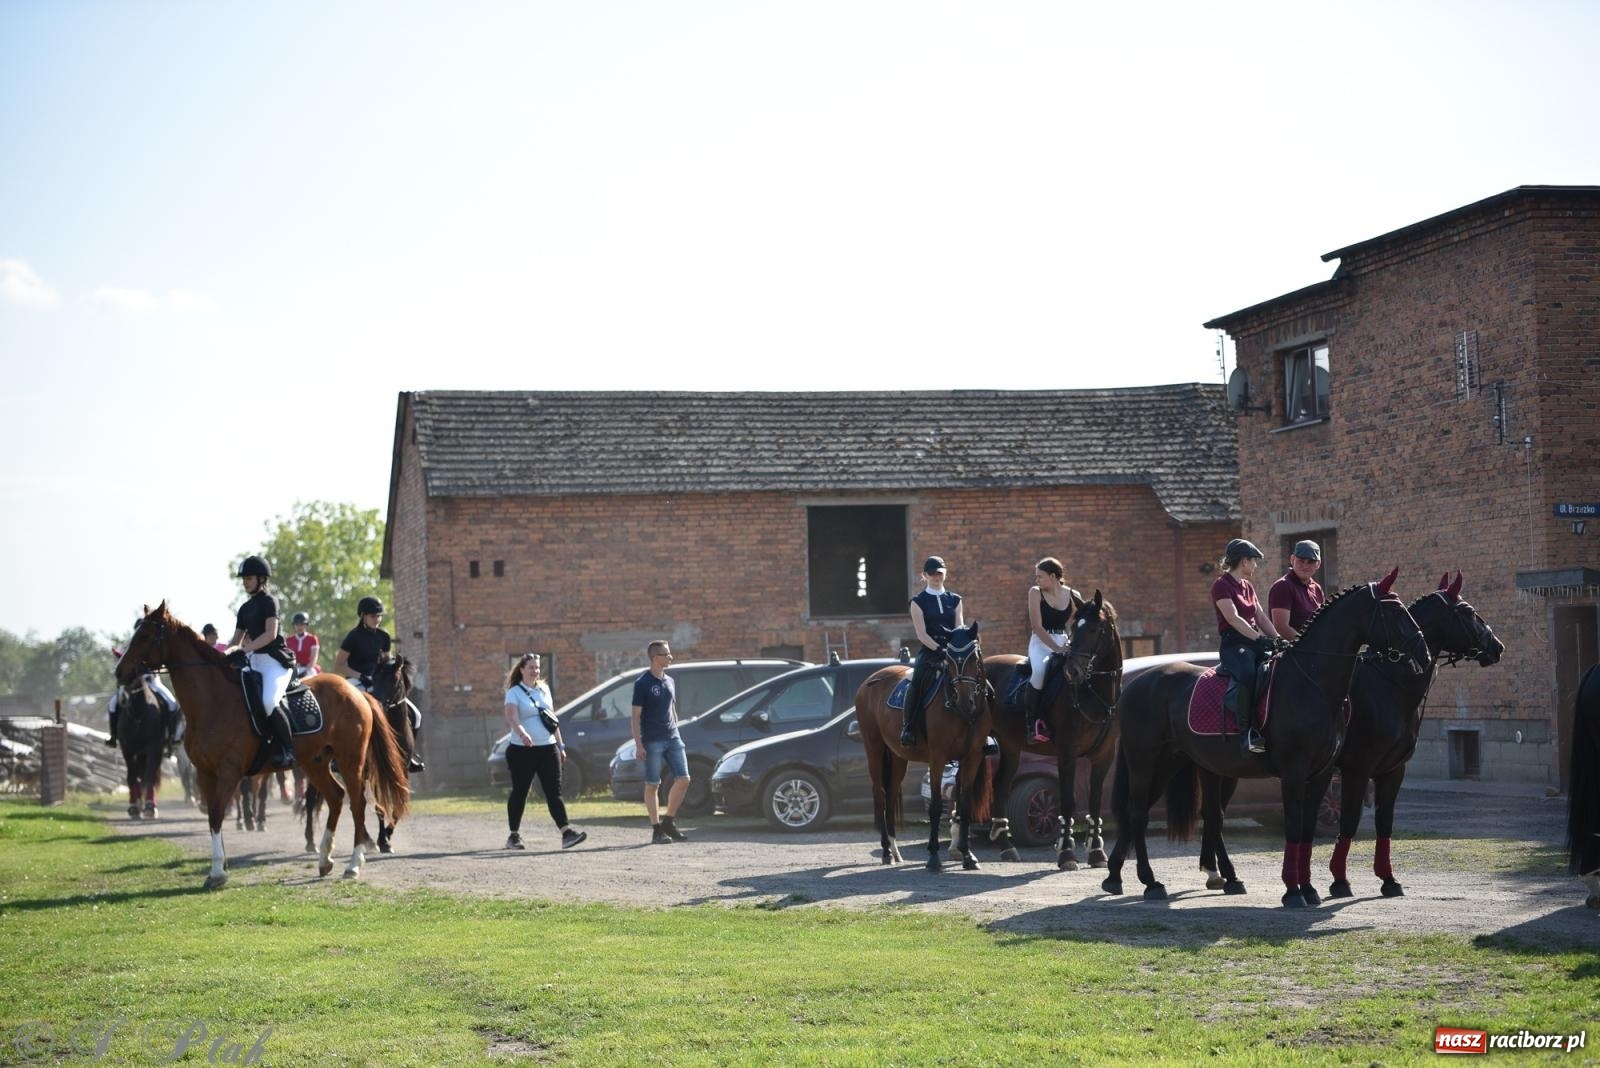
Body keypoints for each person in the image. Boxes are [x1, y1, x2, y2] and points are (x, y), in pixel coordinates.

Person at [501, 653, 587, 851]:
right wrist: (523, 734)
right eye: (531, 667)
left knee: (554, 792)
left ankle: (566, 833)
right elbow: (512, 718)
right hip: (523, 750)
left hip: (548, 748)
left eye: (537, 667)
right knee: (520, 792)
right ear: (521, 669)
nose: (535, 671)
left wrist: (560, 745)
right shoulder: (514, 692)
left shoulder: (544, 690)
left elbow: (551, 719)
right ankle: (513, 836)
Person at [335, 596, 424, 772]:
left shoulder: (384, 636)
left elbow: (386, 660)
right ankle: (338, 755)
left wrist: (394, 670)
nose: (377, 619)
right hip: (356, 681)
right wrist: (360, 676)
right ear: (363, 616)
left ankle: (409, 755)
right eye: (373, 616)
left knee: (416, 715)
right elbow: (339, 666)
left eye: (379, 616)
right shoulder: (353, 637)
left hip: (378, 681)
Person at [1211, 538, 1282, 755]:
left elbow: (1260, 616)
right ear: (1244, 561)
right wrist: (1259, 639)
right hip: (1234, 645)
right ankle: (1247, 734)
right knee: (1248, 673)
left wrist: (1278, 639)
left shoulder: (1248, 586)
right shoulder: (1221, 585)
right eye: (1254, 561)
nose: (1256, 565)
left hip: (1253, 641)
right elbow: (1233, 618)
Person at [224, 555, 296, 769]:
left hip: (275, 663)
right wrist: (223, 656)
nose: (245, 582)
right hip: (254, 662)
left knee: (268, 702)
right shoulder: (244, 609)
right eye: (244, 579)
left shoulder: (269, 602)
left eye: (248, 578)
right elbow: (235, 640)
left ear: (261, 579)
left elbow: (270, 635)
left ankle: (289, 750)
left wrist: (244, 650)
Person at [900, 556, 965, 747]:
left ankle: (985, 731)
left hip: (954, 650)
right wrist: (939, 649)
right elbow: (921, 634)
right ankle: (908, 727)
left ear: (945, 573)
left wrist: (954, 648)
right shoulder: (918, 602)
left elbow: (959, 627)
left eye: (940, 573)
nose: (936, 576)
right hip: (930, 650)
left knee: (976, 678)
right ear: (924, 575)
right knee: (917, 679)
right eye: (932, 573)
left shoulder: (955, 600)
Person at [631, 640, 690, 844]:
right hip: (652, 740)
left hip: (673, 737)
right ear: (655, 657)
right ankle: (657, 829)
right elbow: (635, 716)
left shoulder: (670, 681)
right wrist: (638, 744)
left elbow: (672, 709)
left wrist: (677, 730)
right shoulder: (642, 683)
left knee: (684, 779)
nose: (670, 657)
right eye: (666, 654)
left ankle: (668, 822)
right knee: (652, 784)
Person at [1025, 557, 1076, 744]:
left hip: (1064, 639)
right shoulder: (1035, 593)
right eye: (1036, 577)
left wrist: (1070, 643)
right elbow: (1037, 626)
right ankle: (1032, 724)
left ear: (1053, 576)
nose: (1036, 580)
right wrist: (1057, 648)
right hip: (1040, 641)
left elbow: (1081, 621)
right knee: (1039, 671)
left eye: (1040, 576)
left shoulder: (1072, 594)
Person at [1268, 540, 1326, 641]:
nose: (1305, 566)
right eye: (1301, 560)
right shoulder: (1283, 586)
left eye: (1311, 562)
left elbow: (1324, 622)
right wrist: (1308, 645)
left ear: (1318, 564)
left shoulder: (1317, 588)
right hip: (1291, 651)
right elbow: (1281, 627)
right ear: (1292, 559)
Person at [286, 612, 321, 678]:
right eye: (297, 624)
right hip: (293, 669)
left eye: (301, 624)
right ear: (294, 625)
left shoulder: (313, 639)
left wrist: (306, 671)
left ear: (306, 625)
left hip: (309, 668)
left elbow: (314, 658)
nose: (299, 627)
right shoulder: (288, 640)